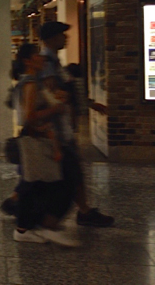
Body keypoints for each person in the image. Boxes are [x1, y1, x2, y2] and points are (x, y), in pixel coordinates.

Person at [38, 21, 113, 227]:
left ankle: (83, 210)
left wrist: (88, 103)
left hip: (63, 127)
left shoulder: (54, 61)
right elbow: (52, 94)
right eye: (62, 34)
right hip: (57, 129)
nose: (66, 37)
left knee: (69, 170)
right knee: (71, 171)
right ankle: (79, 212)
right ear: (51, 38)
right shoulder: (47, 62)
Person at [11, 43, 77, 246]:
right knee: (46, 185)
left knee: (37, 185)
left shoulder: (33, 82)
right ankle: (31, 228)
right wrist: (55, 109)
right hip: (35, 141)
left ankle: (30, 227)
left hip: (41, 139)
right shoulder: (30, 84)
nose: (42, 58)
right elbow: (29, 116)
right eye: (37, 55)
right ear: (28, 61)